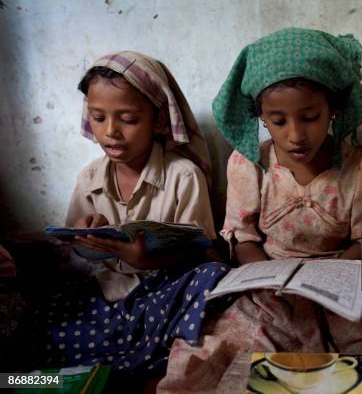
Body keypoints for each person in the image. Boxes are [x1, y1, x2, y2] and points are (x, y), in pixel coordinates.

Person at [158, 29, 362, 393]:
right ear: (260, 117)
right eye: (279, 120)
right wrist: (270, 277)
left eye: (310, 116)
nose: (296, 135)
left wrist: (329, 279)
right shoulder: (248, 165)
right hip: (275, 294)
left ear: (334, 109)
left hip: (346, 285)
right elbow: (244, 238)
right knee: (211, 343)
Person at [13, 51, 229, 374]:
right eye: (98, 118)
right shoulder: (89, 178)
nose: (110, 131)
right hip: (109, 294)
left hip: (163, 294)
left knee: (213, 278)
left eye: (127, 119)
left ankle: (130, 354)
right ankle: (140, 352)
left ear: (158, 120)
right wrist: (83, 235)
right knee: (37, 324)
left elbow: (206, 254)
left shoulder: (183, 176)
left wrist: (149, 260)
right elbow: (76, 251)